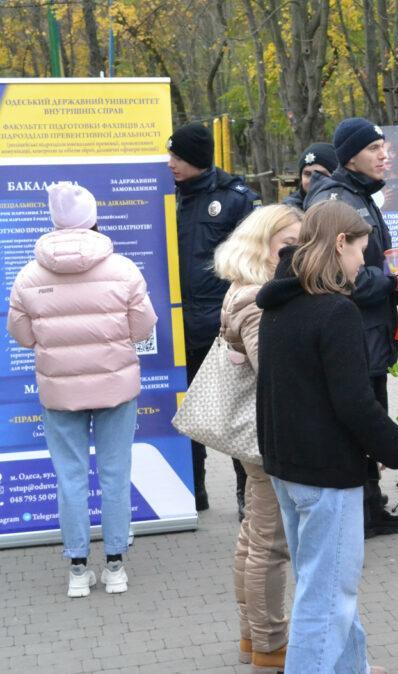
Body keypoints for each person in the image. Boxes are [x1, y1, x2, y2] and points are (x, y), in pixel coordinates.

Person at [256, 200, 398, 674]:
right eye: (361, 250)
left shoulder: (280, 303)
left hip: (288, 465)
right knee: (327, 597)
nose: (364, 262)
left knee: (321, 584)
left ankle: (351, 666)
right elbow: (355, 402)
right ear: (340, 243)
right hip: (325, 473)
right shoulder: (334, 312)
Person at [7, 183, 157, 597]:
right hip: (116, 387)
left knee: (69, 476)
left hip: (59, 392)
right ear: (92, 219)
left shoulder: (29, 275)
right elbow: (143, 327)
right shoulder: (123, 269)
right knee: (115, 473)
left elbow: (20, 334)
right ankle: (114, 567)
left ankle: (77, 570)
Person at [304, 117, 398, 538]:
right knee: (359, 419)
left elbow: (370, 263)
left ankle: (371, 505)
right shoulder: (339, 200)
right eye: (374, 149)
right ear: (350, 156)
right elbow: (339, 275)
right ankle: (362, 511)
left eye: (385, 147)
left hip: (370, 331)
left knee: (369, 415)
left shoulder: (362, 196)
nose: (384, 155)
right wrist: (392, 281)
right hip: (353, 334)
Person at [213, 204, 302, 671]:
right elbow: (275, 375)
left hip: (256, 434)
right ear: (261, 245)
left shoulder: (243, 290)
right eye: (288, 244)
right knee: (269, 544)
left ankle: (255, 638)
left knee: (253, 537)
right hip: (268, 436)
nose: (296, 252)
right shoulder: (257, 300)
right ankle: (270, 646)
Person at [168, 121, 261, 516]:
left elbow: (254, 260)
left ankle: (246, 496)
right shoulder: (161, 195)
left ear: (198, 160)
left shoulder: (236, 199)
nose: (170, 162)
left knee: (234, 414)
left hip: (222, 327)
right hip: (176, 327)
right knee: (188, 412)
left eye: (178, 156)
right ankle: (194, 492)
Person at [282, 142, 339, 209]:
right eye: (307, 174)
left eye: (321, 174)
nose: (313, 180)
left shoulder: (347, 203)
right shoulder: (291, 209)